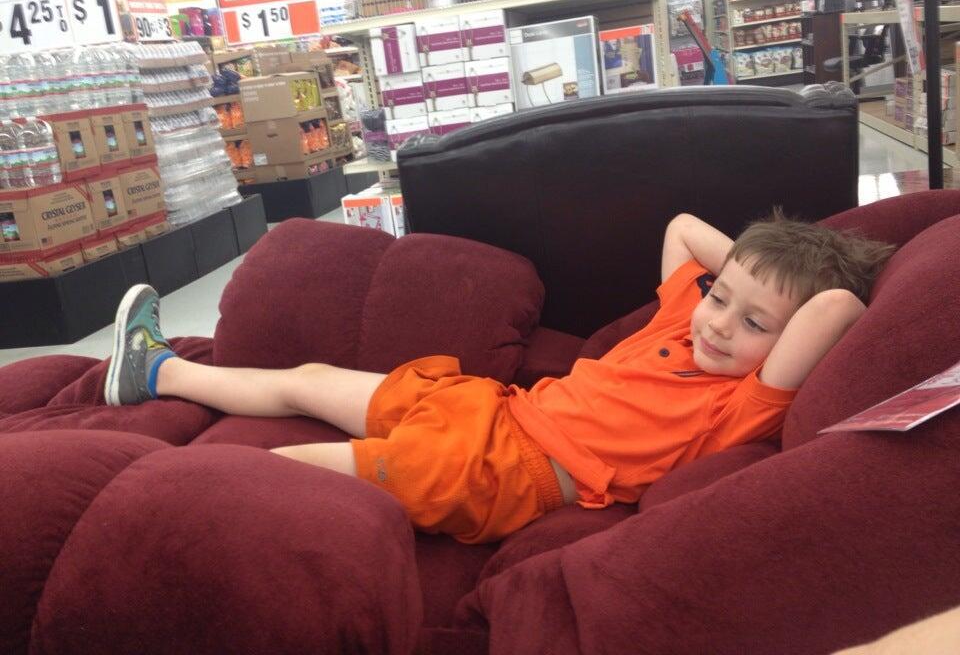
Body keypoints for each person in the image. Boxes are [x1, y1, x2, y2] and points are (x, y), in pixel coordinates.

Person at [103, 210, 894, 544]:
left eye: (754, 324)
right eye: (720, 298)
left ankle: (141, 507)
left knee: (286, 472)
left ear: (786, 342)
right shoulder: (682, 319)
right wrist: (752, 276)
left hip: (504, 469)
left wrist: (769, 283)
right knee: (308, 377)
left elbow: (834, 306)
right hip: (488, 409)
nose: (718, 324)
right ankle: (156, 372)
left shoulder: (742, 401)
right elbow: (682, 228)